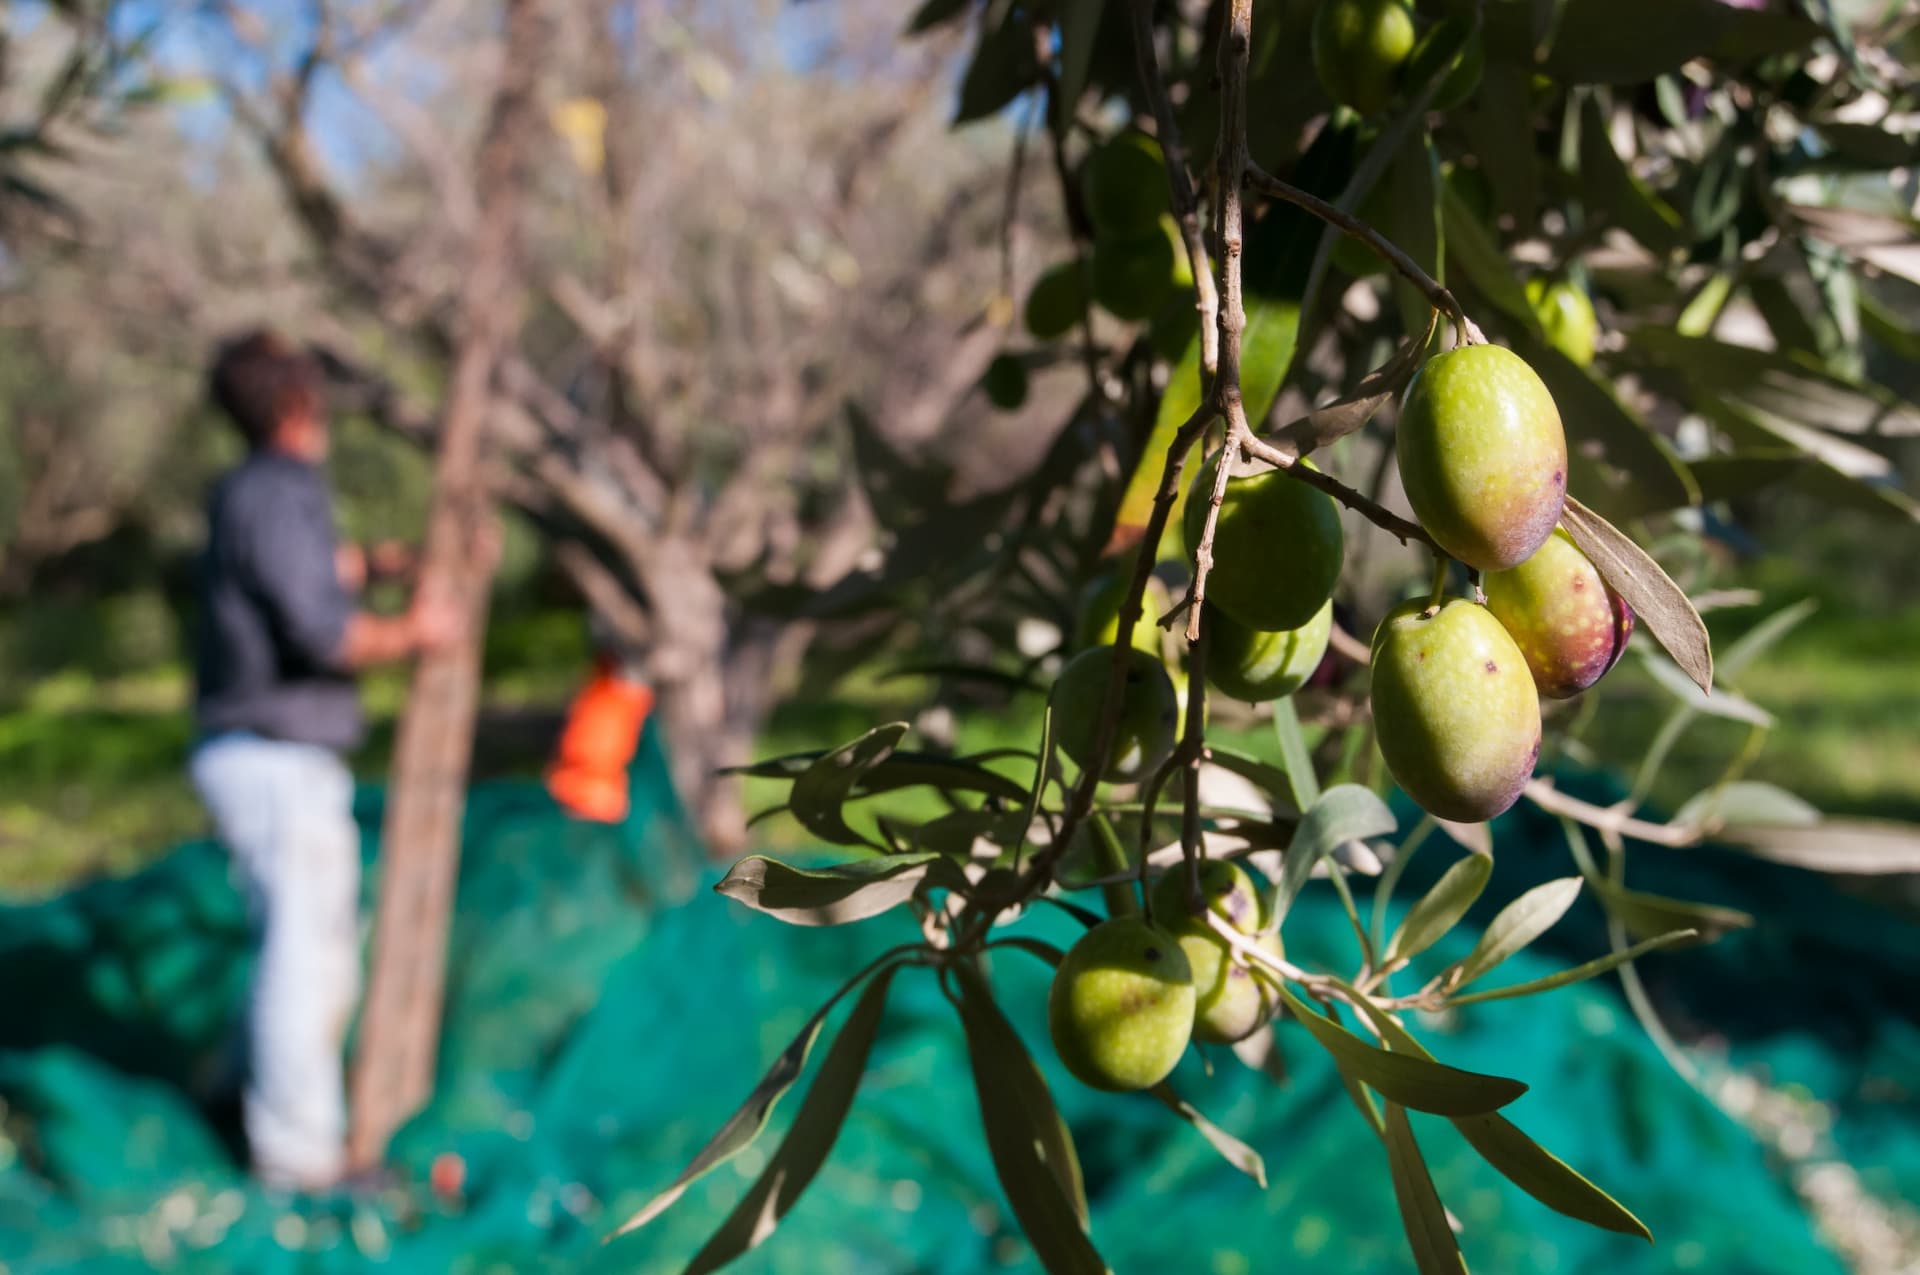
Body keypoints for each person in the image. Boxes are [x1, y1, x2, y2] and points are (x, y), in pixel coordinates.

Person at [189, 330, 461, 1190]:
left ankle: (233, 1092)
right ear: (296, 402)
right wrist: (416, 632)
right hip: (273, 757)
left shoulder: (254, 494)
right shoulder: (279, 491)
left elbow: (308, 575)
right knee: (304, 958)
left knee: (312, 946)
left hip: (266, 756)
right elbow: (319, 629)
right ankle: (299, 1156)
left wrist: (380, 565)